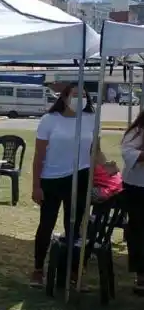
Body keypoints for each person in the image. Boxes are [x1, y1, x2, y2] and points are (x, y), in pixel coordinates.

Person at [30, 83, 106, 289]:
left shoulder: (91, 119)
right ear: (64, 97)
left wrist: (106, 165)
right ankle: (38, 269)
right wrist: (36, 185)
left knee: (73, 227)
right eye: (75, 95)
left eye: (83, 95)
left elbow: (95, 150)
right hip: (52, 179)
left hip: (80, 177)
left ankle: (72, 271)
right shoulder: (49, 120)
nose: (79, 99)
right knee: (46, 224)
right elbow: (39, 155)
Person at [120, 112, 144, 294]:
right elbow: (128, 154)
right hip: (136, 188)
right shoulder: (136, 132)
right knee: (138, 231)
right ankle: (141, 275)